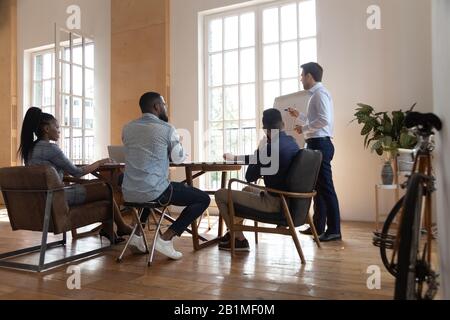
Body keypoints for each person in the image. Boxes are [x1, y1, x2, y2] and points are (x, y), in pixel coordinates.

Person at [18, 107, 134, 243]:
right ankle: (122, 227)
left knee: (102, 191)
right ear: (46, 129)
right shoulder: (50, 148)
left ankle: (110, 230)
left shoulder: (30, 150)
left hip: (41, 198)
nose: (59, 130)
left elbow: (53, 173)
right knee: (106, 188)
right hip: (56, 197)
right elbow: (78, 172)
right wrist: (101, 162)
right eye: (56, 126)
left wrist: (61, 173)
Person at [121, 92, 210, 260]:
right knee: (203, 199)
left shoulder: (127, 128)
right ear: (156, 106)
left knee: (148, 191)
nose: (165, 107)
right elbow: (178, 157)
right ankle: (166, 238)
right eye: (164, 104)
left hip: (129, 193)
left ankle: (137, 235)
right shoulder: (167, 129)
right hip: (154, 191)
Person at [215, 108, 300, 251]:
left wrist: (260, 149)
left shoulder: (269, 148)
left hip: (274, 204)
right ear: (283, 124)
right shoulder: (291, 142)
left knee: (221, 194)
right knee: (246, 190)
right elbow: (263, 160)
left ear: (265, 129)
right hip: (290, 200)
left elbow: (249, 176)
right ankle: (234, 233)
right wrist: (236, 158)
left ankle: (239, 239)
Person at [287, 62, 341, 242]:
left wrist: (304, 128)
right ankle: (318, 227)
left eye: (302, 75)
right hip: (316, 143)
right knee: (318, 187)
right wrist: (299, 117)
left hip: (320, 144)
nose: (301, 79)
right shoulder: (317, 95)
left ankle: (334, 230)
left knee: (326, 188)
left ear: (310, 76)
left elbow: (324, 120)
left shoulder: (319, 94)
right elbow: (316, 119)